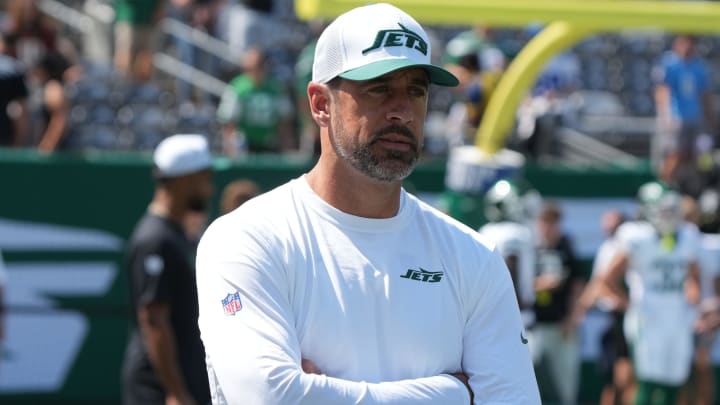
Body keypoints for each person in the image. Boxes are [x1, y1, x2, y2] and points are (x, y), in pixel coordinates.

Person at [196, 3, 540, 404]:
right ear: (321, 104)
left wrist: (321, 393)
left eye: (417, 91)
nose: (402, 110)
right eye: (379, 87)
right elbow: (270, 397)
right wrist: (453, 393)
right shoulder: (247, 240)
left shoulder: (473, 256)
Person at [582, 181, 701, 405]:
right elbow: (605, 279)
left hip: (678, 316)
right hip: (648, 316)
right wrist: (628, 304)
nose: (670, 215)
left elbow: (694, 277)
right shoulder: (637, 237)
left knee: (675, 379)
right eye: (664, 210)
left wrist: (692, 301)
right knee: (647, 381)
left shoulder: (687, 235)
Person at [121, 134, 214, 405]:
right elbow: (154, 320)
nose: (210, 186)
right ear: (184, 179)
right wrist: (175, 392)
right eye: (205, 175)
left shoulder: (177, 235)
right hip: (158, 390)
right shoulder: (155, 239)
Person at [532, 202, 585, 405]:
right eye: (545, 221)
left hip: (560, 323)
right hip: (533, 327)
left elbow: (577, 284)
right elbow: (514, 284)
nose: (549, 227)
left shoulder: (566, 247)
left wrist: (573, 317)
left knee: (566, 381)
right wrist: (539, 284)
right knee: (531, 375)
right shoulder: (529, 248)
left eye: (553, 222)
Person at [653, 34, 716, 188]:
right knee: (676, 154)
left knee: (700, 154)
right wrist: (665, 115)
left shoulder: (698, 65)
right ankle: (663, 186)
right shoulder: (669, 64)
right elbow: (663, 90)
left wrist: (711, 117)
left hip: (696, 117)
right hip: (676, 118)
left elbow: (705, 94)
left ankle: (696, 187)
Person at [478, 178, 540, 331]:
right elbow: (512, 270)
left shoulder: (486, 230)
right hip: (517, 314)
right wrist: (514, 309)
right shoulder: (518, 233)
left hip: (488, 312)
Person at [217, 46, 295, 155]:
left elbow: (284, 122)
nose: (257, 71)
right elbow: (229, 124)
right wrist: (230, 151)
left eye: (260, 66)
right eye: (253, 67)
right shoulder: (237, 88)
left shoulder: (276, 88)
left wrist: (287, 148)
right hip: (244, 146)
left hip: (270, 144)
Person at [0, 31, 29, 148]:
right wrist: (19, 142)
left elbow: (22, 108)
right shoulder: (15, 68)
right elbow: (23, 108)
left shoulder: (13, 68)